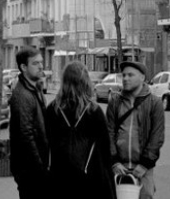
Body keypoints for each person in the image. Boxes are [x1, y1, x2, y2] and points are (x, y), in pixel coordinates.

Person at [45, 61, 117, 199]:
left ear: (64, 81)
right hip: (89, 179)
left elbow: (44, 145)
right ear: (86, 82)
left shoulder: (52, 110)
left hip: (59, 178)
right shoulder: (94, 112)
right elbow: (105, 152)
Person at [106, 60, 165, 199]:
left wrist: (145, 165)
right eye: (124, 75)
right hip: (119, 168)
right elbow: (108, 132)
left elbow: (156, 137)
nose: (125, 78)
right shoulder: (115, 101)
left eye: (130, 75)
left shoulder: (154, 103)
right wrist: (114, 162)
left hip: (143, 170)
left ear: (142, 77)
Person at [9, 45, 50, 199]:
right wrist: (41, 167)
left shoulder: (35, 89)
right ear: (23, 67)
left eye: (41, 62)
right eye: (35, 63)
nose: (41, 66)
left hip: (35, 167)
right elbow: (26, 135)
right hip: (30, 170)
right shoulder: (22, 96)